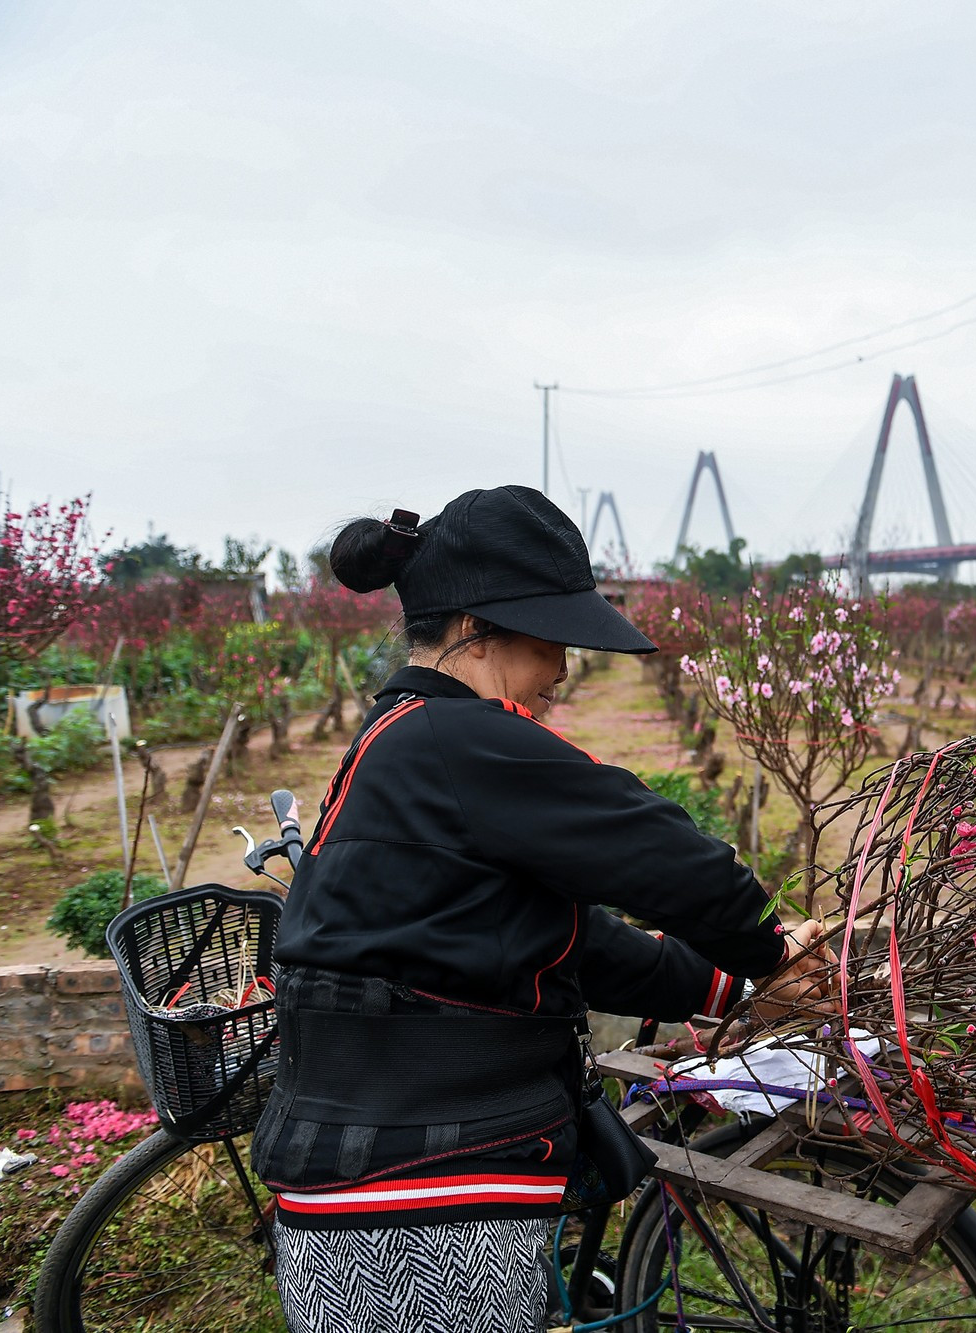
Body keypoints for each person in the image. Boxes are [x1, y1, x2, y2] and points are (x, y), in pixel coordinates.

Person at [253, 485, 828, 1333]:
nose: (562, 667)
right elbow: (664, 853)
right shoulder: (458, 739)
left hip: (387, 1182)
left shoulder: (399, 738)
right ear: (481, 627)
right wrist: (770, 949)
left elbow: (550, 935)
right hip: (422, 1208)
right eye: (553, 636)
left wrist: (724, 987)